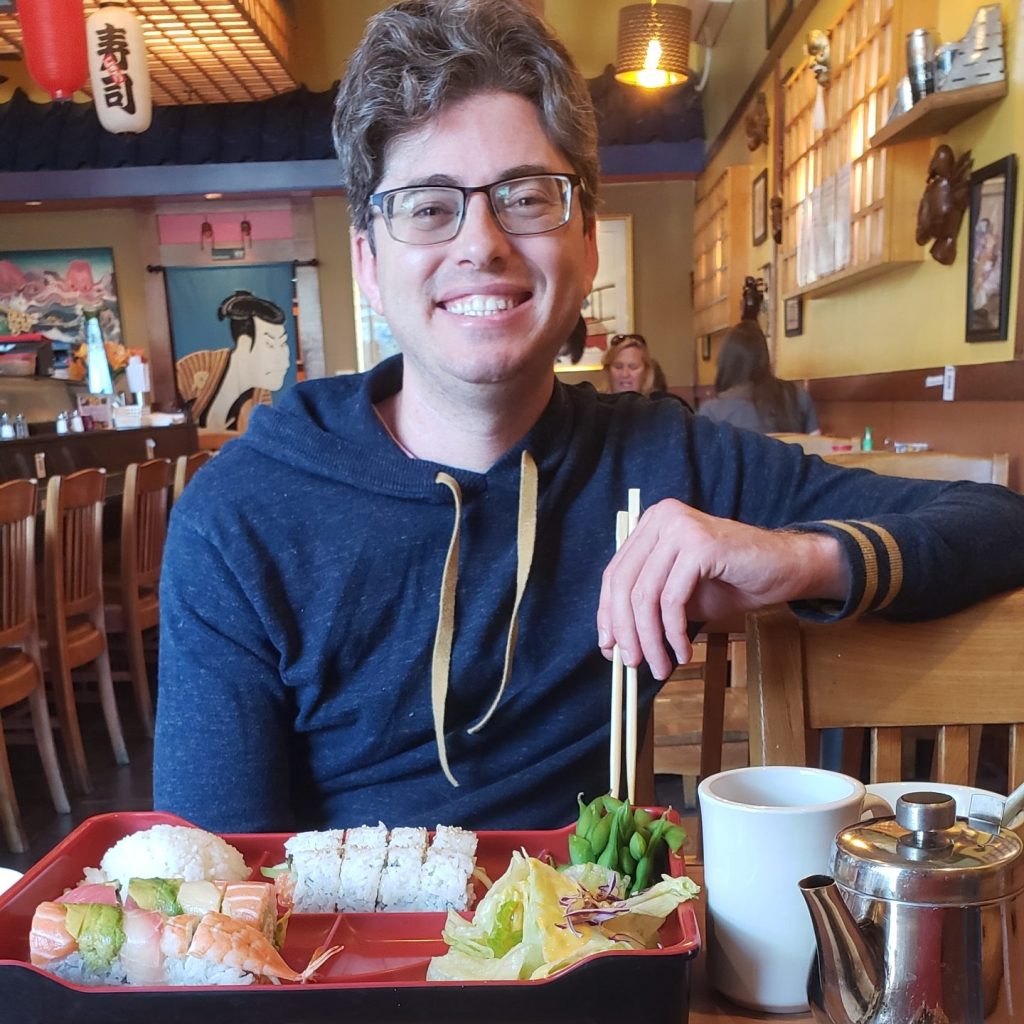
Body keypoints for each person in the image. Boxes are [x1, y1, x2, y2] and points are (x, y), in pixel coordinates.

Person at [155, 0, 1024, 834]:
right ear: (369, 264)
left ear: (587, 241)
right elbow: (203, 885)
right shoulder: (242, 516)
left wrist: (797, 558)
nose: (481, 243)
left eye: (527, 197)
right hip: (339, 964)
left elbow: (998, 523)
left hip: (596, 945)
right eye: (428, 207)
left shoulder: (664, 457)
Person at [176, 290, 292, 432]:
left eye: (283, 344)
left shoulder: (261, 395)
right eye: (270, 345)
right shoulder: (196, 366)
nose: (284, 361)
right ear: (244, 344)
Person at [698, 320, 819, 434]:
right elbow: (818, 447)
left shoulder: (711, 412)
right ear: (764, 358)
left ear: (725, 363)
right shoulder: (798, 396)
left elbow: (701, 454)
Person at [601, 333, 692, 410]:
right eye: (618, 367)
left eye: (633, 367)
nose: (625, 374)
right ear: (608, 370)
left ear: (646, 370)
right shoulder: (595, 408)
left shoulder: (666, 407)